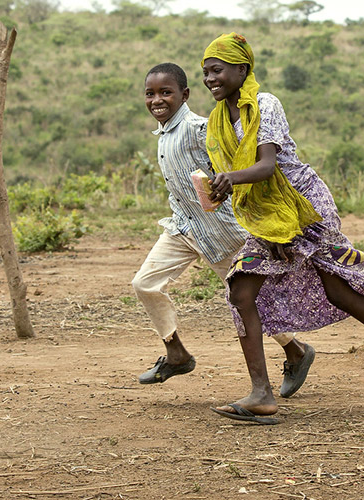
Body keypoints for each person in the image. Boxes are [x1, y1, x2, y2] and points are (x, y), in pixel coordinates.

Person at [199, 33, 364, 424]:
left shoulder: (264, 104)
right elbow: (247, 183)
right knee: (242, 287)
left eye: (217, 70)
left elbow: (266, 167)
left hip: (304, 204)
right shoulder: (218, 121)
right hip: (269, 215)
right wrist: (253, 217)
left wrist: (229, 179)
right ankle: (261, 393)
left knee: (336, 286)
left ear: (242, 69)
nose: (210, 78)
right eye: (205, 73)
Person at [132, 62, 316, 399]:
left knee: (247, 303)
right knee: (145, 283)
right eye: (150, 94)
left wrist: (264, 226)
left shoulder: (200, 129)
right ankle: (176, 353)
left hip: (224, 233)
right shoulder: (164, 134)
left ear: (184, 95)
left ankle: (297, 351)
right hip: (183, 229)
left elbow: (236, 170)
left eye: (166, 92)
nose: (157, 100)